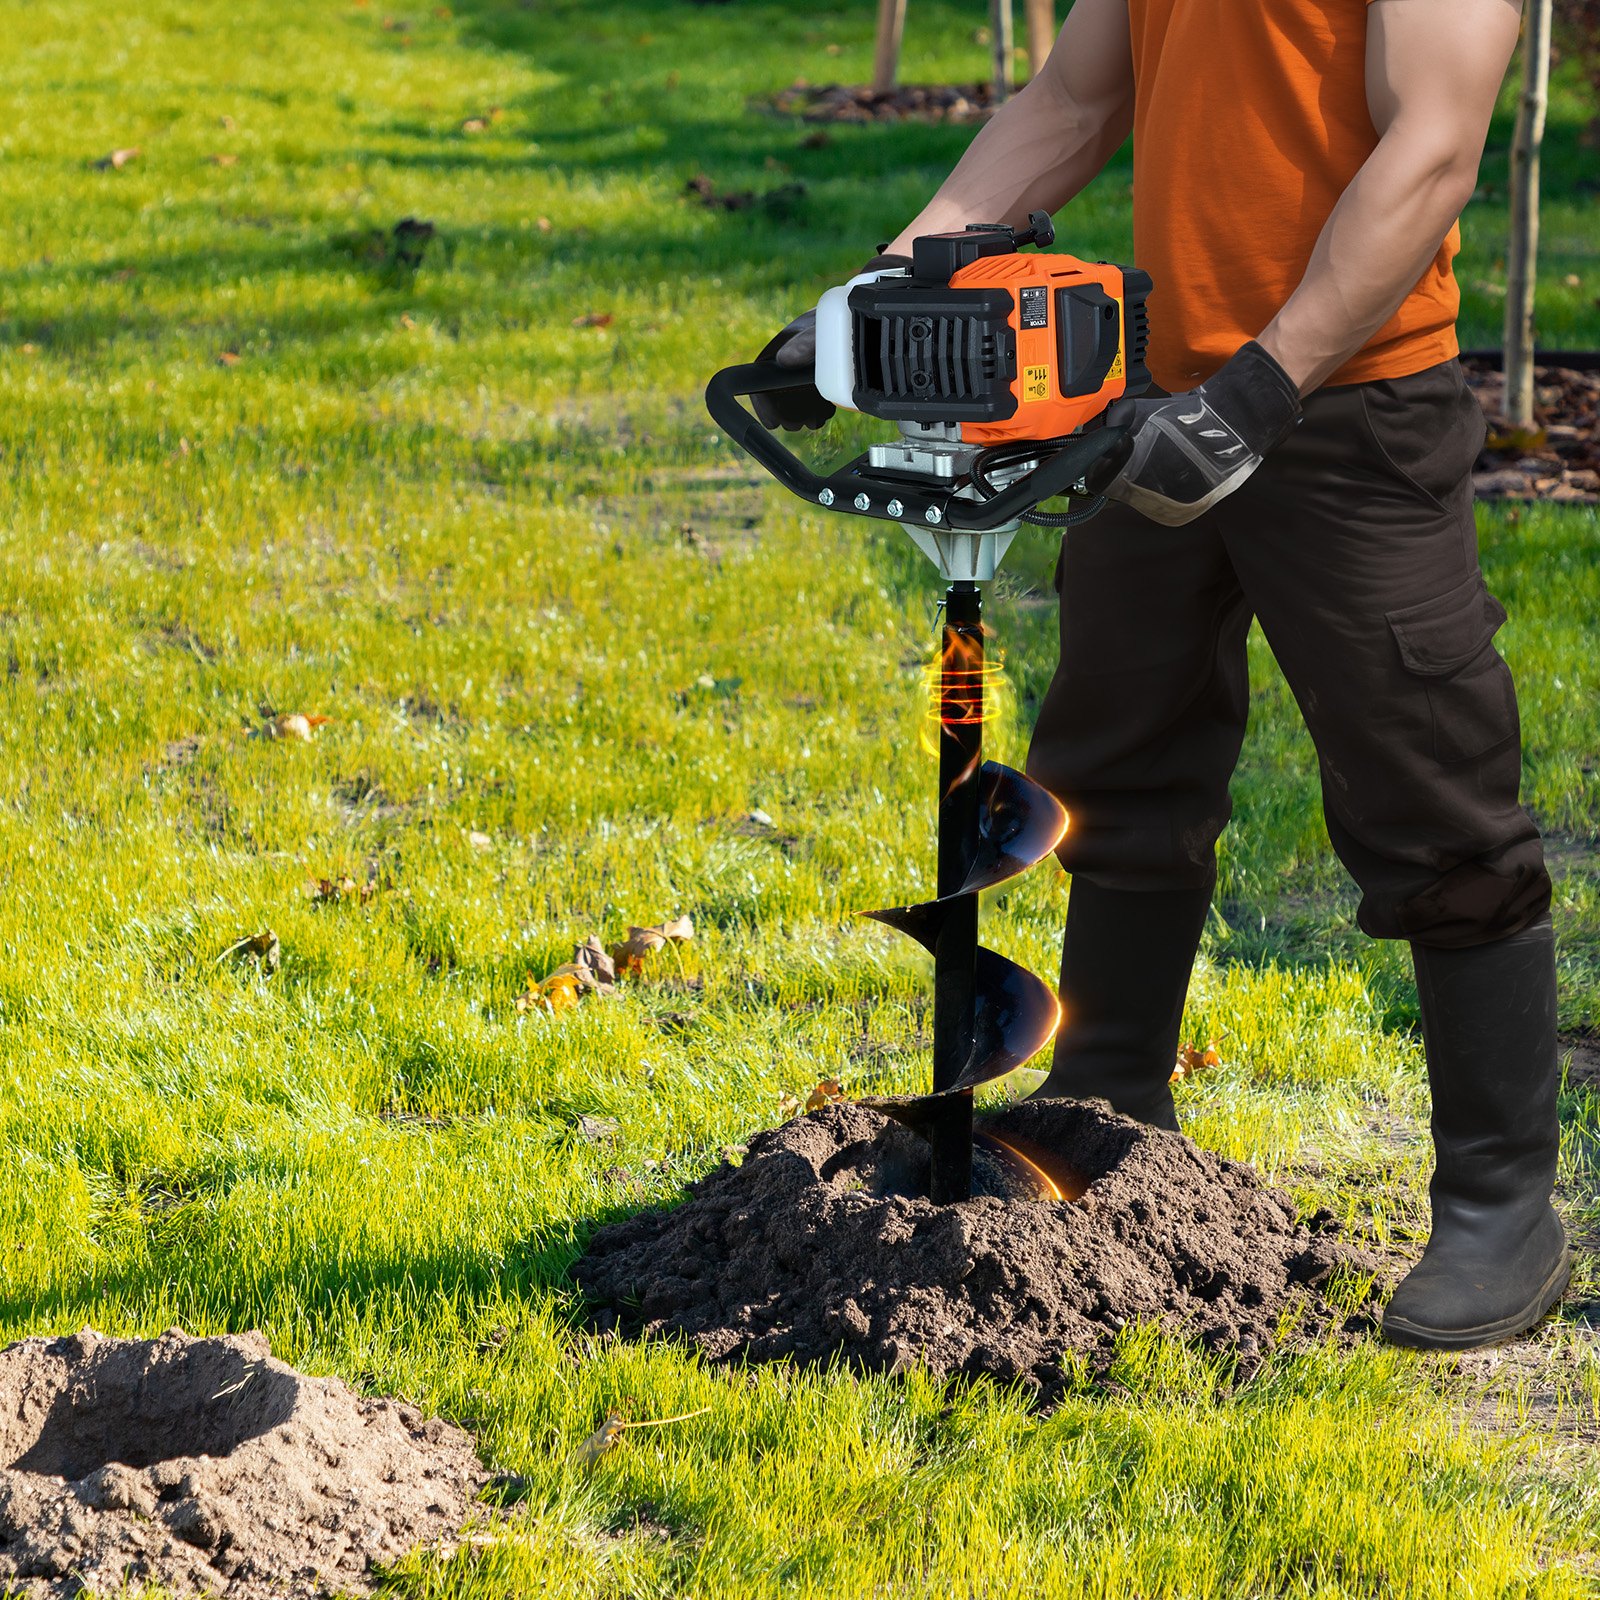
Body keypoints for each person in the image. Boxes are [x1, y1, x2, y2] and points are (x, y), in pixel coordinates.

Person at [752, 0, 1566, 1352]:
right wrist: (866, 306)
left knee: (1432, 786)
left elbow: (1432, 147)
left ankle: (1499, 1204)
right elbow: (1070, 104)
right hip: (1154, 406)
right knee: (1116, 760)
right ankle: (1109, 1107)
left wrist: (1259, 393)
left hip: (1350, 407)